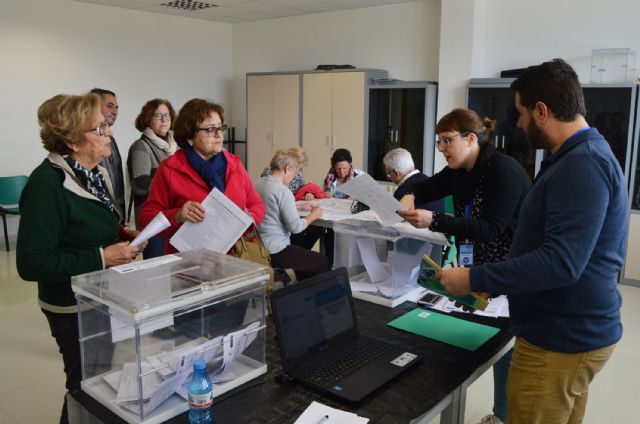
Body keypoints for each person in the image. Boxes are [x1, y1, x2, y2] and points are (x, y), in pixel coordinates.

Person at [436, 59, 628, 424]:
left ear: (542, 111)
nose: (519, 124)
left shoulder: (582, 165)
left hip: (560, 339)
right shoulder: (576, 157)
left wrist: (474, 278)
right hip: (570, 331)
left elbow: (560, 262)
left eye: (521, 113)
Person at [16, 93, 144, 424]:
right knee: (84, 387)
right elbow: (32, 264)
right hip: (71, 307)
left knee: (99, 381)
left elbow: (85, 223)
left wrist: (120, 235)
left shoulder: (91, 173)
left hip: (99, 297)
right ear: (73, 141)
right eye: (99, 128)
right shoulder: (46, 185)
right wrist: (102, 256)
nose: (109, 133)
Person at [397, 108, 531, 424]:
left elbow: (489, 228)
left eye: (447, 141)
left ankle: (503, 414)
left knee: (507, 345)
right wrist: (406, 196)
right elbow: (421, 188)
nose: (441, 148)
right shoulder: (459, 172)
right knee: (478, 339)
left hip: (510, 270)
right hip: (480, 265)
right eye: (438, 141)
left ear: (471, 139)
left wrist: (435, 219)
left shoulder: (503, 171)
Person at [138, 98, 265, 253]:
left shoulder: (234, 164)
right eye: (210, 129)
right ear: (190, 136)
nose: (219, 135)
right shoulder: (169, 168)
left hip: (233, 256)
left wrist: (248, 221)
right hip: (187, 263)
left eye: (221, 128)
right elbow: (146, 218)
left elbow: (257, 205)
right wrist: (177, 215)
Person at [255, 147, 330, 280]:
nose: (294, 177)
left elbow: (271, 210)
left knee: (304, 252)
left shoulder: (257, 184)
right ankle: (308, 295)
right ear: (287, 168)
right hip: (275, 249)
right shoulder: (283, 191)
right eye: (295, 173)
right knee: (322, 262)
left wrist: (298, 208)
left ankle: (300, 285)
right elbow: (296, 228)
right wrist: (314, 215)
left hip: (257, 246)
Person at [127, 98, 178, 258]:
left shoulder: (175, 146)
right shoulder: (141, 146)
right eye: (158, 115)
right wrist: (174, 187)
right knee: (156, 269)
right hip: (153, 219)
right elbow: (140, 182)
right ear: (147, 119)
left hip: (173, 216)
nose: (164, 120)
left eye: (167, 115)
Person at [91, 88, 126, 223]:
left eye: (116, 107)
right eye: (109, 106)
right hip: (99, 215)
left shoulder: (112, 140)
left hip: (116, 214)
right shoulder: (87, 142)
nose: (115, 111)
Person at [382, 147, 444, 213]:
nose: (389, 177)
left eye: (388, 173)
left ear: (396, 173)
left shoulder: (402, 191)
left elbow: (393, 219)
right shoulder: (431, 181)